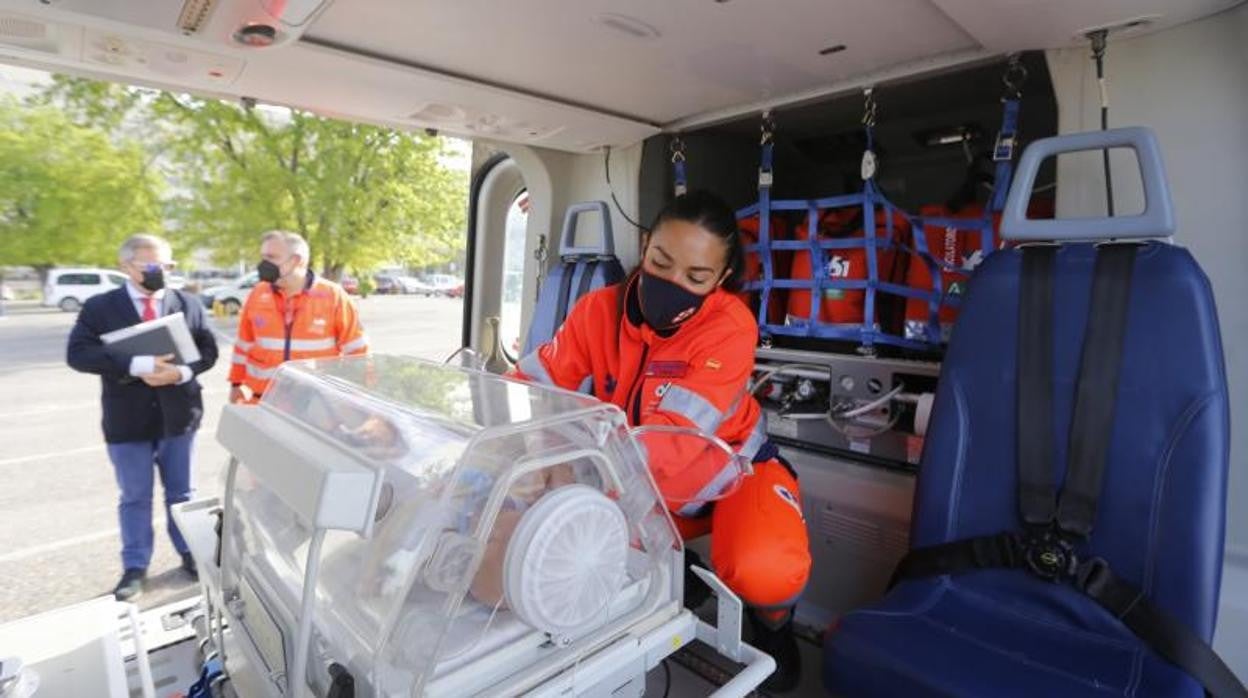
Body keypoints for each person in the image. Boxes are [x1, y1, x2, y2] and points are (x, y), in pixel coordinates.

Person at [511, 190, 812, 691]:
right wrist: (511, 439)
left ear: (720, 280)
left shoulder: (730, 327)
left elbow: (676, 442)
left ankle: (775, 627)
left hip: (732, 475)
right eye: (661, 261)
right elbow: (534, 383)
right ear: (645, 246)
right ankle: (683, 573)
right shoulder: (597, 311)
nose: (673, 283)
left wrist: (578, 470)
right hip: (640, 486)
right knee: (568, 550)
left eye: (695, 277)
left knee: (765, 571)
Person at [66, 234, 219, 601]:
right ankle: (135, 567)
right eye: (152, 266)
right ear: (126, 266)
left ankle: (188, 553)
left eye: (167, 266)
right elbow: (78, 354)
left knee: (181, 493)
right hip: (127, 421)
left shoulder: (187, 302)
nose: (161, 273)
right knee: (134, 496)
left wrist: (180, 373)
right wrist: (137, 364)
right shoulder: (100, 307)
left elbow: (208, 351)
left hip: (179, 416)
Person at [228, 231, 369, 404]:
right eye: (263, 257)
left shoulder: (334, 296)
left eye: (271, 257)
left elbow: (357, 354)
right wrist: (235, 384)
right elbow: (243, 346)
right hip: (262, 401)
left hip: (316, 406)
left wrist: (358, 401)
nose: (264, 264)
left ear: (296, 260)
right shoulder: (257, 294)